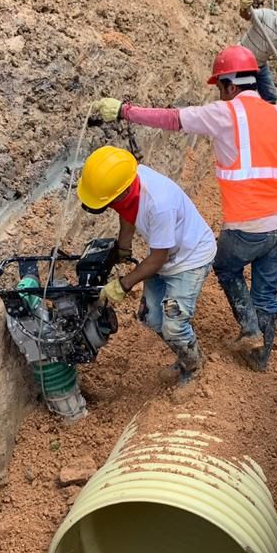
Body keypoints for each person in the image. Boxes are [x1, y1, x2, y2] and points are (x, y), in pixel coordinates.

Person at [89, 45, 277, 372]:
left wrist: (124, 111)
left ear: (230, 85)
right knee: (266, 292)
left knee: (225, 267)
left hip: (247, 228)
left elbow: (172, 119)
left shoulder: (224, 114)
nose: (220, 94)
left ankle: (250, 329)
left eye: (220, 88)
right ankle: (260, 359)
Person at [78, 146, 216, 385]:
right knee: (151, 318)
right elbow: (126, 210)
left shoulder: (159, 204)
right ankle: (184, 355)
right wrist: (123, 247)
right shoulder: (128, 179)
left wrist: (123, 285)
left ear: (121, 192)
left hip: (189, 259)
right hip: (164, 256)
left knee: (174, 326)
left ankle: (194, 369)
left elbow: (158, 258)